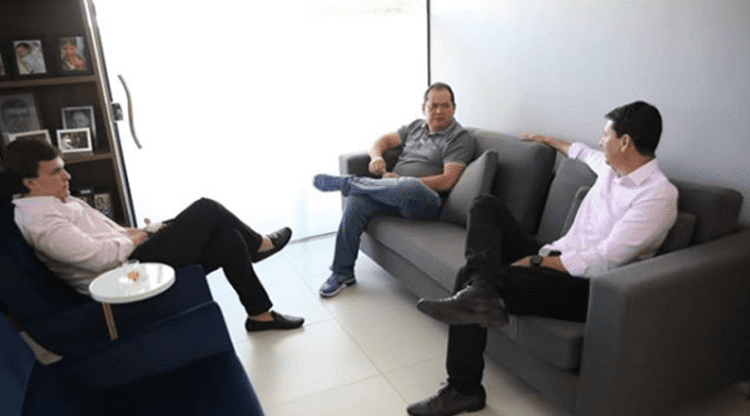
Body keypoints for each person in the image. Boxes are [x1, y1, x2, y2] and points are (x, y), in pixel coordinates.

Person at [408, 101, 678, 416]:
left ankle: (464, 390)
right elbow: (579, 151)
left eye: (606, 135)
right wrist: (546, 140)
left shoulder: (657, 195)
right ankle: (481, 291)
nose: (600, 141)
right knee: (484, 205)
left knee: (470, 274)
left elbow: (603, 261)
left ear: (625, 142)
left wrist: (534, 263)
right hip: (552, 255)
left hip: (586, 288)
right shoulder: (611, 167)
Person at [3, 139, 304, 332]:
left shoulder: (58, 201)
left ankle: (259, 315)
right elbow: (98, 258)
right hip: (125, 279)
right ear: (30, 182)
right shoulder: (42, 222)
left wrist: (145, 231)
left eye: (63, 169)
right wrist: (143, 236)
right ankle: (260, 245)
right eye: (55, 172)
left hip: (129, 262)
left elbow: (109, 236)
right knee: (206, 208)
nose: (67, 176)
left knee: (228, 238)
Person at [313, 82, 475, 297]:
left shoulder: (459, 138)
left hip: (426, 202)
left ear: (454, 108)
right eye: (434, 106)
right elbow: (383, 141)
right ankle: (342, 273)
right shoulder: (415, 127)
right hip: (393, 193)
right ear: (424, 108)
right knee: (358, 201)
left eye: (445, 106)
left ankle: (349, 184)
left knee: (409, 185)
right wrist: (376, 157)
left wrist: (401, 179)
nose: (439, 111)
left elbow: (447, 181)